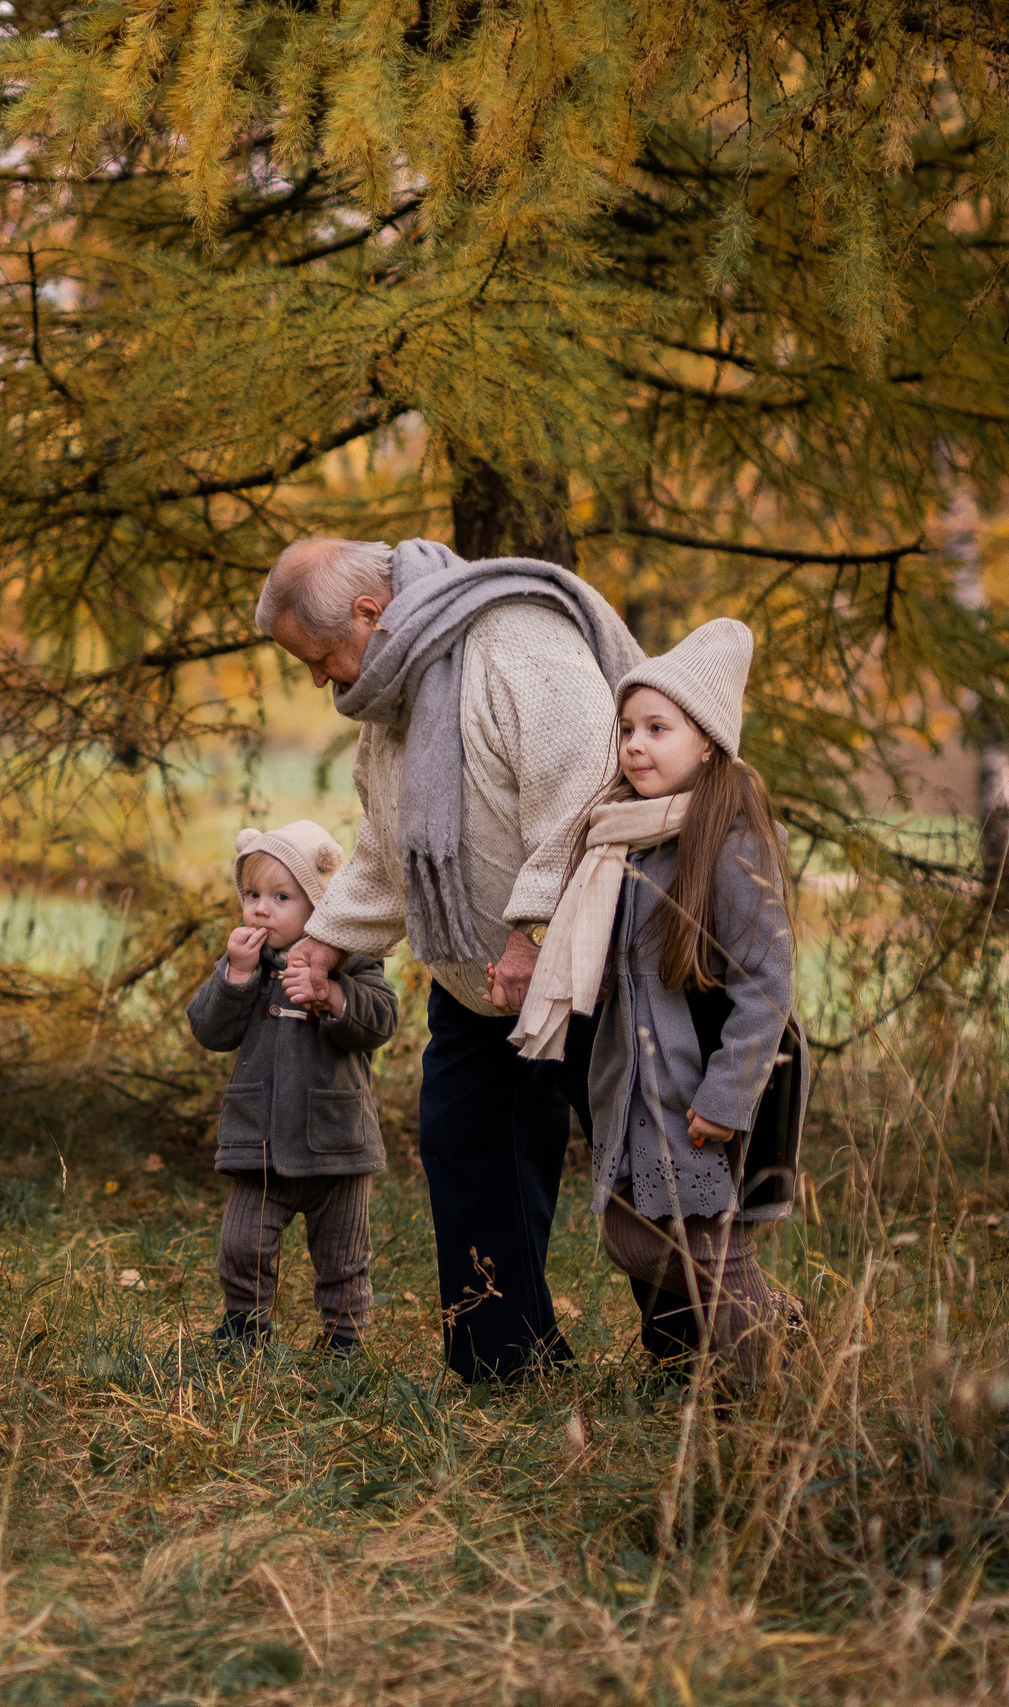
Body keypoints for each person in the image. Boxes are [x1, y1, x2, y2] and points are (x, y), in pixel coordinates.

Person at [261, 536, 635, 1382]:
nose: (320, 680)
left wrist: (533, 931)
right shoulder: (398, 698)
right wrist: (323, 939)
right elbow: (387, 847)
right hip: (481, 979)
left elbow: (587, 787)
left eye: (320, 658)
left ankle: (702, 1348)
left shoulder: (515, 641)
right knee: (465, 1145)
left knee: (643, 1158)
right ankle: (507, 1363)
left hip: (590, 958)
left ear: (369, 612)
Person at [510, 618, 804, 1393]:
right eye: (628, 729)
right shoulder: (618, 834)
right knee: (633, 1234)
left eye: (658, 729)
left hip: (698, 1086)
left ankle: (763, 1387)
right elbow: (602, 954)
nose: (636, 745)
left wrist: (728, 1096)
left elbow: (766, 983)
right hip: (633, 1081)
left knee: (707, 1247)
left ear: (706, 741)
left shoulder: (727, 840)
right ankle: (775, 1327)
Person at [186, 821, 400, 1353]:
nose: (261, 909)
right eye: (252, 895)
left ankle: (343, 1339)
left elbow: (382, 1022)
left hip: (337, 1140)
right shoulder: (247, 967)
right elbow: (210, 1031)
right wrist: (235, 976)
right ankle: (243, 1327)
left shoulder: (354, 960)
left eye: (281, 897)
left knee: (343, 1254)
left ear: (321, 906)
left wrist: (333, 995)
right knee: (242, 1243)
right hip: (258, 1140)